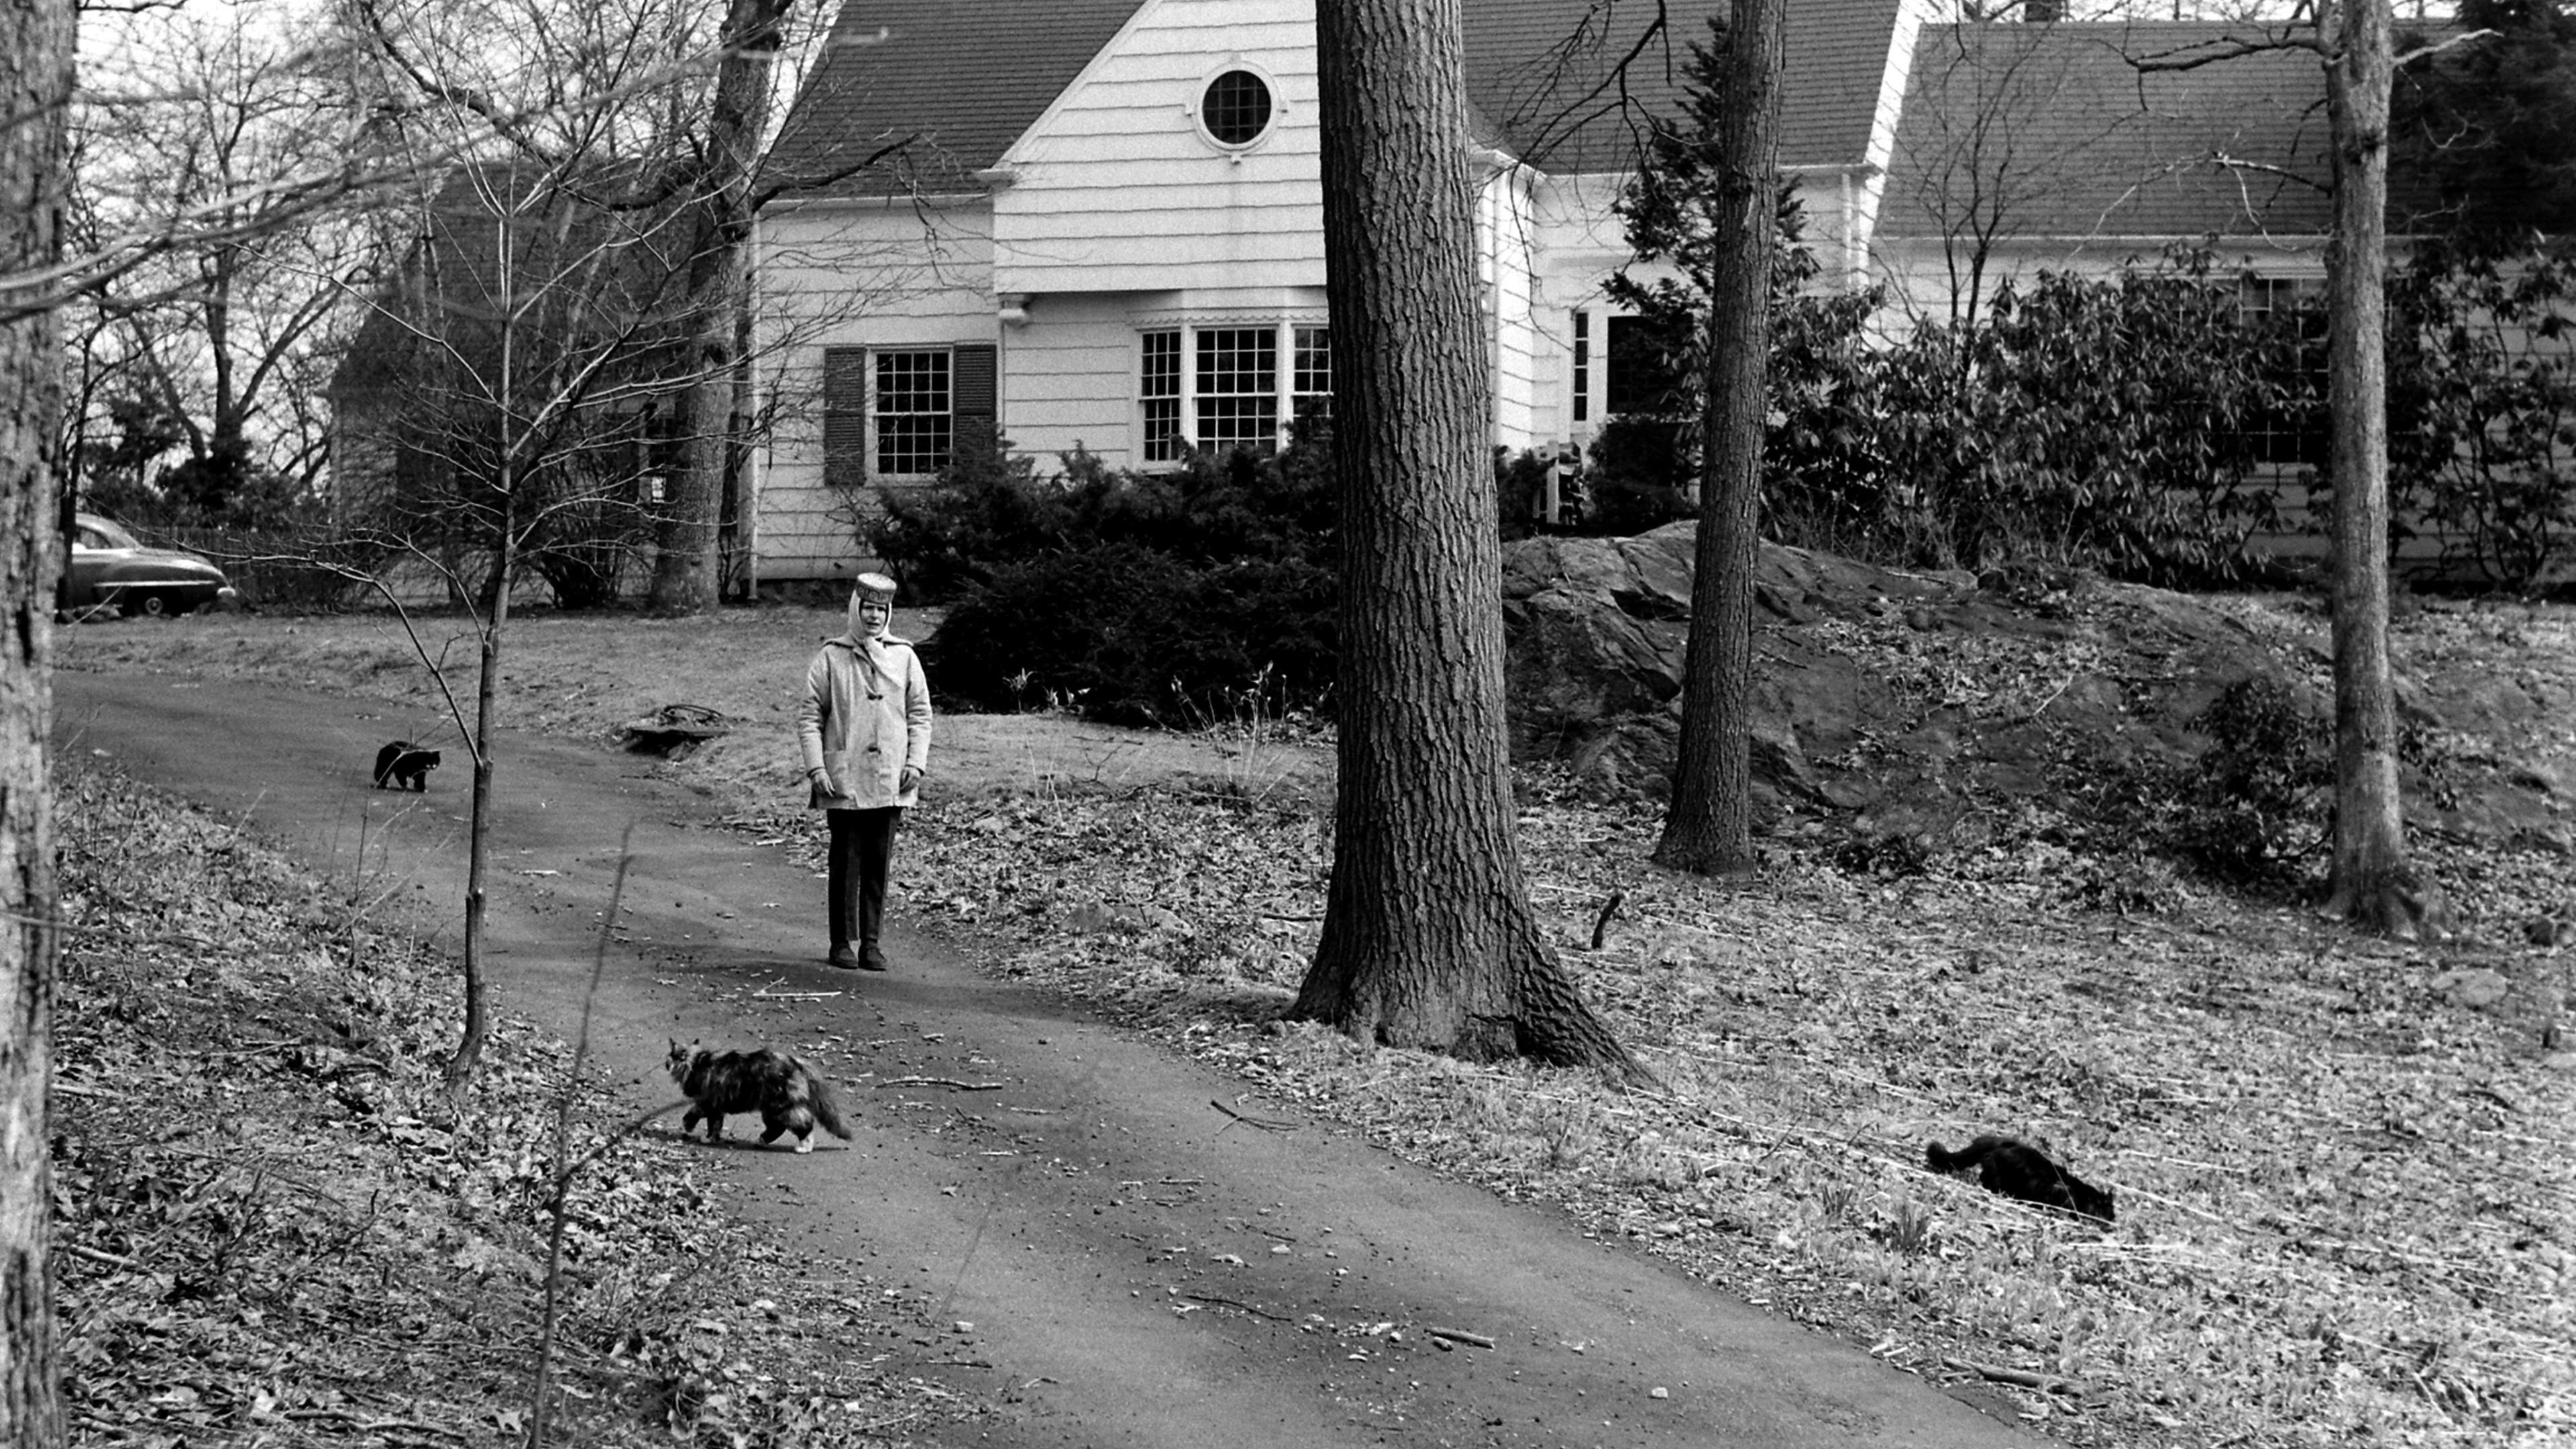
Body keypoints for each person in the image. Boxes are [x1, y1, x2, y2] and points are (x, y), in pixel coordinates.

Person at [796, 572, 931, 971]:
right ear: (856, 609)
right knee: (846, 861)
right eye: (868, 608)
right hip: (844, 776)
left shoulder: (904, 657)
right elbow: (809, 717)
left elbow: (920, 715)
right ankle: (842, 941)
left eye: (881, 610)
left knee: (878, 862)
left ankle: (872, 942)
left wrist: (916, 763)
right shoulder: (831, 657)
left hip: (891, 775)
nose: (874, 616)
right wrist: (816, 767)